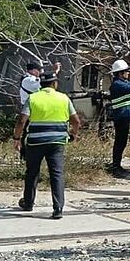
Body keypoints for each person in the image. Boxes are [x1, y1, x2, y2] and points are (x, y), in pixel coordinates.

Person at [12, 71, 81, 219]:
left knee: (32, 172)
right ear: (55, 84)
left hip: (35, 142)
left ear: (41, 84)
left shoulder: (33, 98)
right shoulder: (64, 98)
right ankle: (58, 209)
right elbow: (76, 121)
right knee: (56, 174)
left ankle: (28, 203)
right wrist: (73, 134)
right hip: (57, 142)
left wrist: (16, 138)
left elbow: (22, 121)